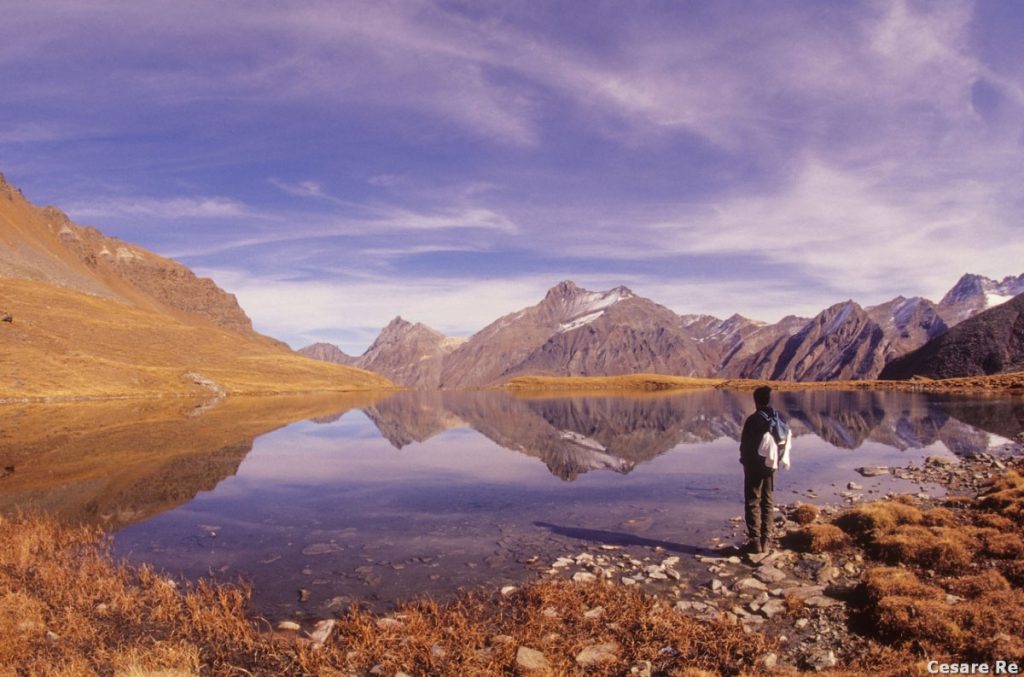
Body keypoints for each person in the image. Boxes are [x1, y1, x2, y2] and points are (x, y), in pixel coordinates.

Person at [738, 385, 783, 554]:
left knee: (752, 501)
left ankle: (755, 542)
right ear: (769, 400)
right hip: (770, 466)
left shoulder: (753, 420)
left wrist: (744, 463)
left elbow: (745, 446)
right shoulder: (777, 418)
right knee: (768, 500)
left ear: (755, 400)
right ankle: (766, 541)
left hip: (753, 467)